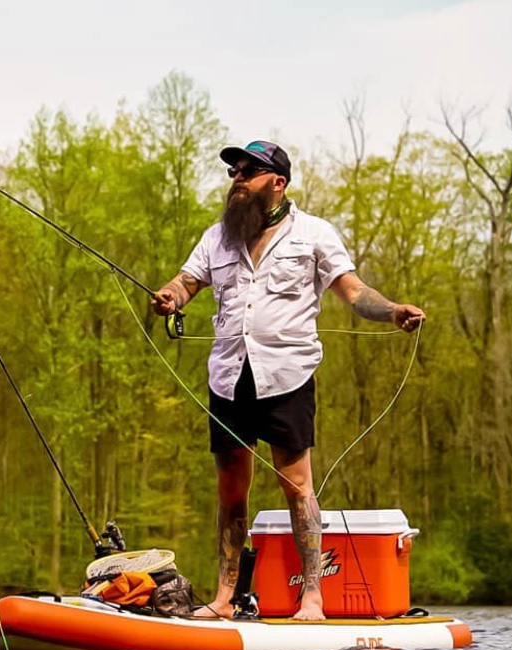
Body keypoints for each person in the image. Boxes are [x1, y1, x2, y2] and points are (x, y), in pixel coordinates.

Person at [150, 140, 425, 620]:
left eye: (248, 171)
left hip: (288, 374)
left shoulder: (314, 234)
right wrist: (170, 296)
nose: (237, 178)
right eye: (234, 171)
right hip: (229, 375)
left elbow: (355, 293)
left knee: (296, 487)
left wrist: (392, 312)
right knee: (231, 491)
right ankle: (225, 599)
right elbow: (185, 282)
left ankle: (312, 598)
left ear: (277, 182)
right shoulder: (217, 238)